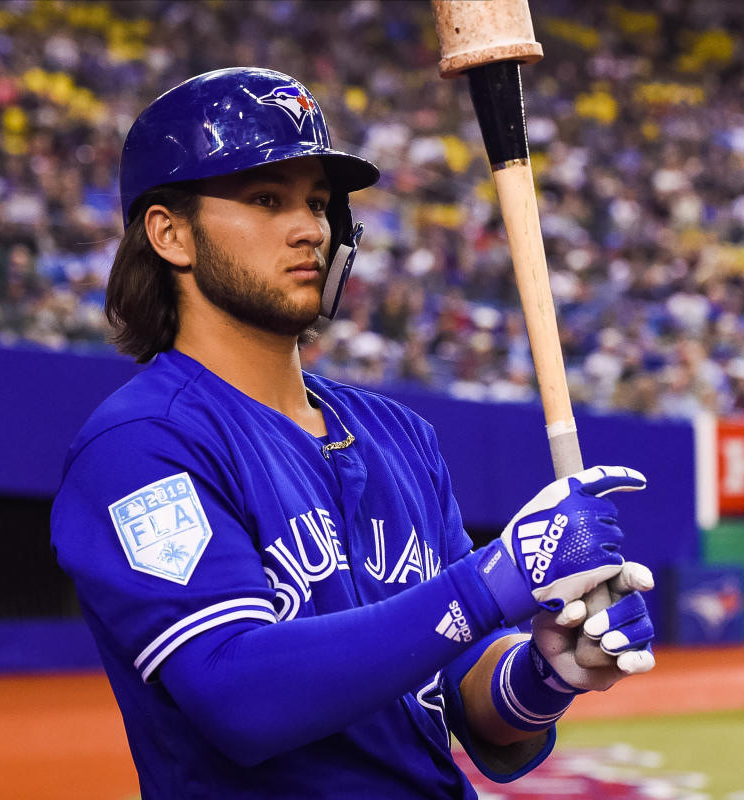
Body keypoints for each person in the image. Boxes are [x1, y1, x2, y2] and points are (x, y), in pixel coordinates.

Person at [51, 68, 656, 799]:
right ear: (170, 233)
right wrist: (494, 581)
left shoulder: (399, 436)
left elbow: (472, 705)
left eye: (317, 203)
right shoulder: (142, 446)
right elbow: (238, 694)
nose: (311, 227)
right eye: (266, 199)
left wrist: (543, 672)